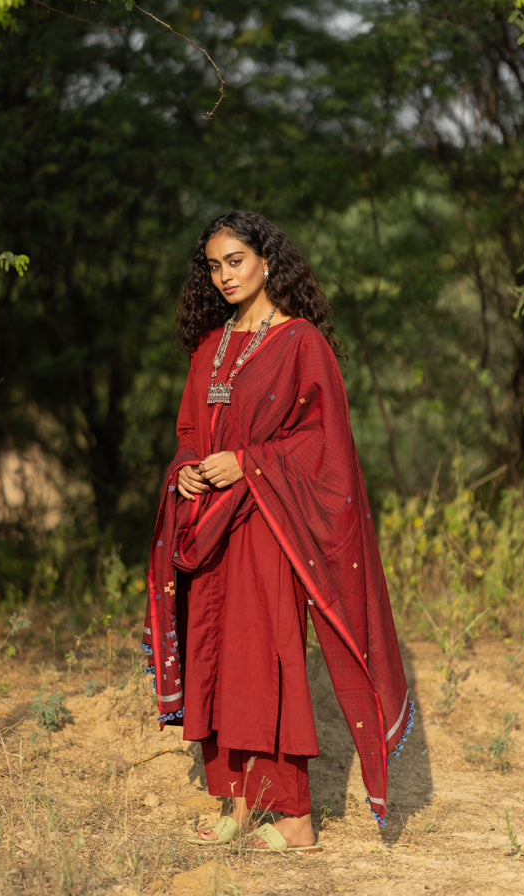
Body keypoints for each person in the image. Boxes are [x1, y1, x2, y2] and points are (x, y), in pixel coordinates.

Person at [143, 211, 411, 852]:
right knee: (215, 658)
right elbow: (189, 432)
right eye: (213, 265)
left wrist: (248, 462)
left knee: (266, 661)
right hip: (210, 526)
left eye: (235, 260)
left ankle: (293, 819)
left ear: (267, 261)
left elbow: (326, 443)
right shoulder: (211, 346)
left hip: (268, 522)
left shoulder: (300, 344)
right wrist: (186, 471)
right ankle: (235, 804)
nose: (224, 275)